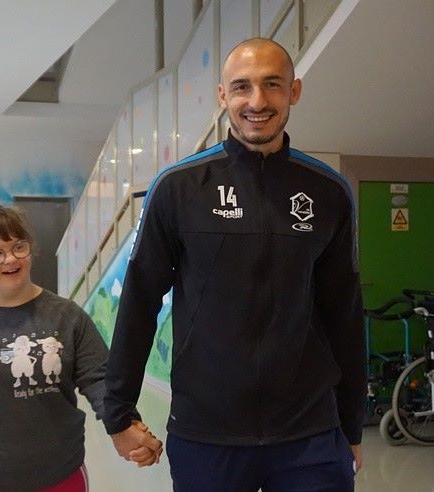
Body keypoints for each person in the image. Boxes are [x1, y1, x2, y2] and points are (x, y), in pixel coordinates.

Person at [103, 37, 366, 491]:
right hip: (207, 434)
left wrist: (352, 425)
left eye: (273, 84)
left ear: (294, 91)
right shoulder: (179, 188)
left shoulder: (329, 192)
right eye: (242, 87)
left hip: (310, 435)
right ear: (223, 95)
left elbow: (344, 314)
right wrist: (118, 413)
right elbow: (139, 302)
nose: (257, 101)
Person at [0, 204, 161, 492]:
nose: (10, 259)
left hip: (57, 476)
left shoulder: (67, 317)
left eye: (19, 247)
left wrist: (125, 425)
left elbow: (101, 381)